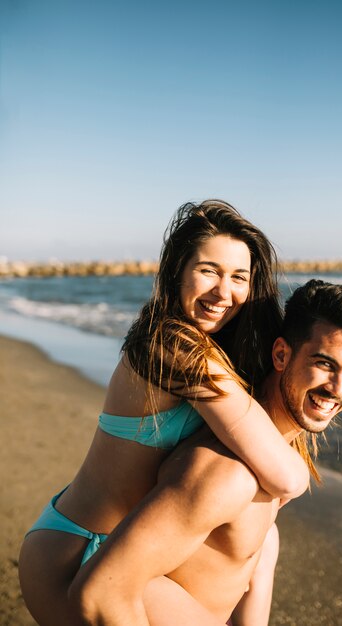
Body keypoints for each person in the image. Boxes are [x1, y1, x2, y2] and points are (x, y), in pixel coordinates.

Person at [19, 200, 310, 625]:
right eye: (209, 270)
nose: (223, 292)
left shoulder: (209, 352)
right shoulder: (175, 346)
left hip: (114, 551)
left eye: (239, 277)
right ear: (178, 271)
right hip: (77, 553)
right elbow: (288, 476)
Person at [68, 279, 342, 626]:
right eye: (325, 364)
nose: (338, 389)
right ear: (281, 355)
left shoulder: (270, 471)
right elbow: (102, 592)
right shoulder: (226, 473)